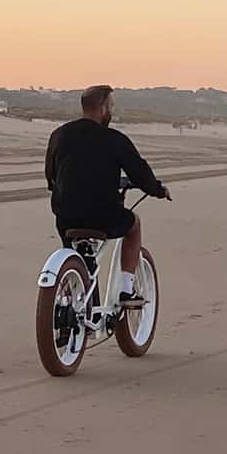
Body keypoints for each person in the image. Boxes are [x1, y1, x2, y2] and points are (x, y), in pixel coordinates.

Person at [45, 84, 171, 307]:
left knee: (71, 246)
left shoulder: (59, 135)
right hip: (103, 217)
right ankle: (126, 291)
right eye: (111, 106)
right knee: (134, 225)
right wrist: (158, 190)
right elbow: (140, 173)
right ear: (102, 108)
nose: (112, 111)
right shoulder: (113, 138)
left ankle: (71, 298)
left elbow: (51, 177)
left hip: (66, 216)